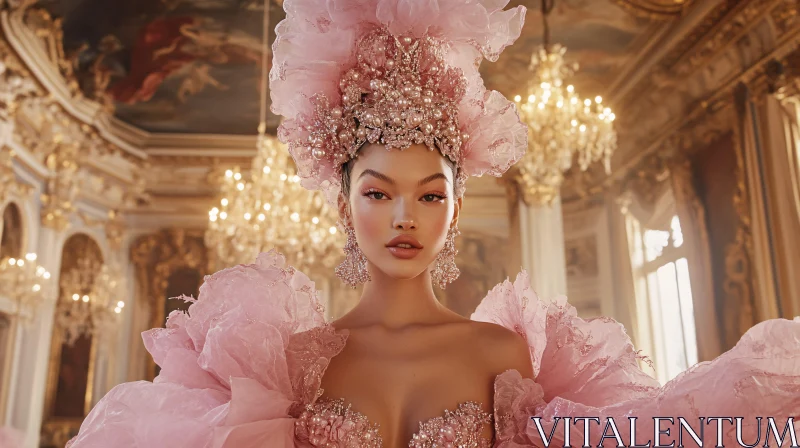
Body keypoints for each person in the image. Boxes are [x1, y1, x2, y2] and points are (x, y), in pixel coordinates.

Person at [67, 0, 800, 447]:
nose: (404, 218)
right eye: (379, 194)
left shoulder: (500, 353)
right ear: (343, 201)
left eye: (429, 195)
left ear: (456, 206)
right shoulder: (287, 363)